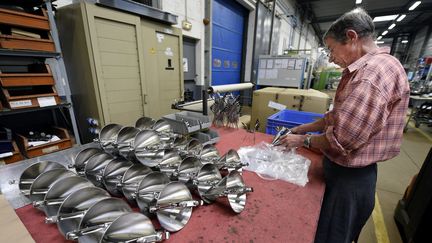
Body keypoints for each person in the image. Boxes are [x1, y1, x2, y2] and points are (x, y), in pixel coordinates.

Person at [280, 7, 410, 243]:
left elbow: (343, 138)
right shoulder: (362, 70)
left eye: (331, 49)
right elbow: (337, 116)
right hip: (346, 174)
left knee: (331, 237)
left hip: (350, 180)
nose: (330, 57)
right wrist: (304, 128)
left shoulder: (372, 75)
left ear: (351, 37)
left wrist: (302, 141)